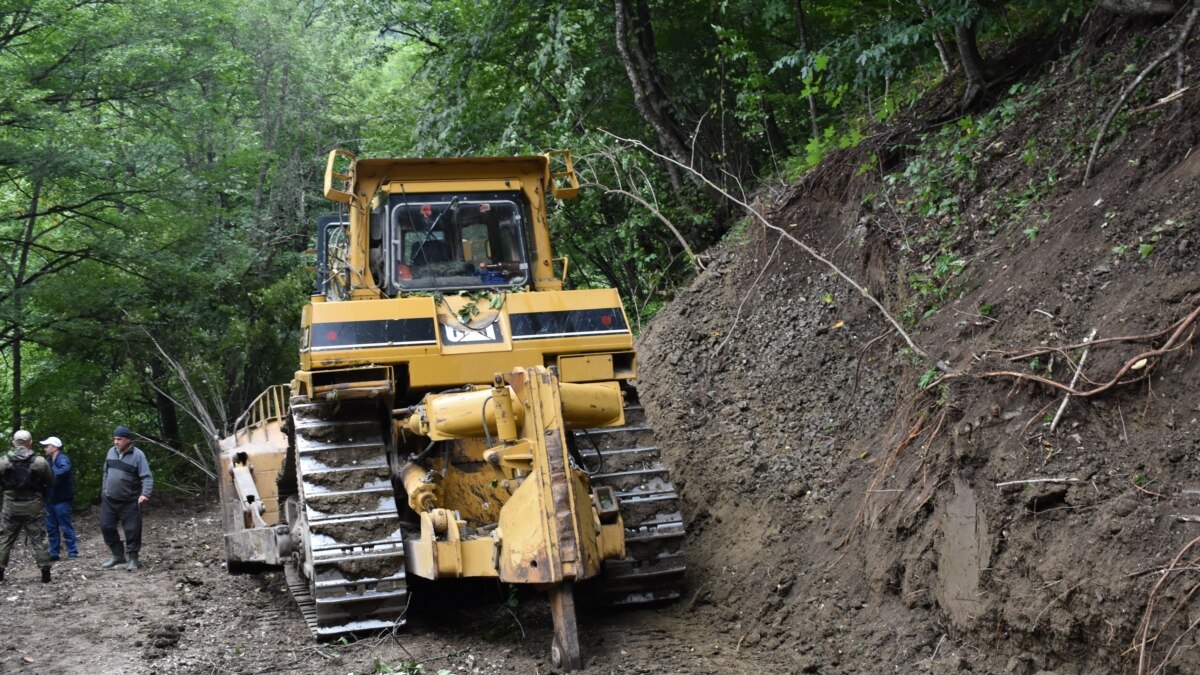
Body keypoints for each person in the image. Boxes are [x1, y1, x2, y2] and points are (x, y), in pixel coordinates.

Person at [0, 430, 54, 583]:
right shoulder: (40, 462)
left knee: (5, 539)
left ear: (13, 442)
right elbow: (50, 480)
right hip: (33, 506)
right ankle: (45, 575)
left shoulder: (3, 461)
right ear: (30, 442)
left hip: (11, 506)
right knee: (38, 539)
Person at [100, 426, 153, 572]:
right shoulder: (111, 452)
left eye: (119, 439)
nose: (116, 442)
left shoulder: (138, 455)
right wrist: (104, 490)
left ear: (128, 440)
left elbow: (146, 477)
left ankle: (133, 559)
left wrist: (145, 494)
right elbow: (106, 472)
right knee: (106, 527)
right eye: (115, 439)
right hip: (110, 499)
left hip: (129, 501)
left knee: (132, 530)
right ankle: (117, 555)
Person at [41, 436, 77, 560]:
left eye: (47, 446)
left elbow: (64, 470)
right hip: (49, 501)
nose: (45, 448)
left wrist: (48, 476)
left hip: (61, 500)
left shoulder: (63, 459)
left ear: (55, 447)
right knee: (51, 528)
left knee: (66, 527)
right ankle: (54, 553)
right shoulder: (48, 460)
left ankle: (72, 552)